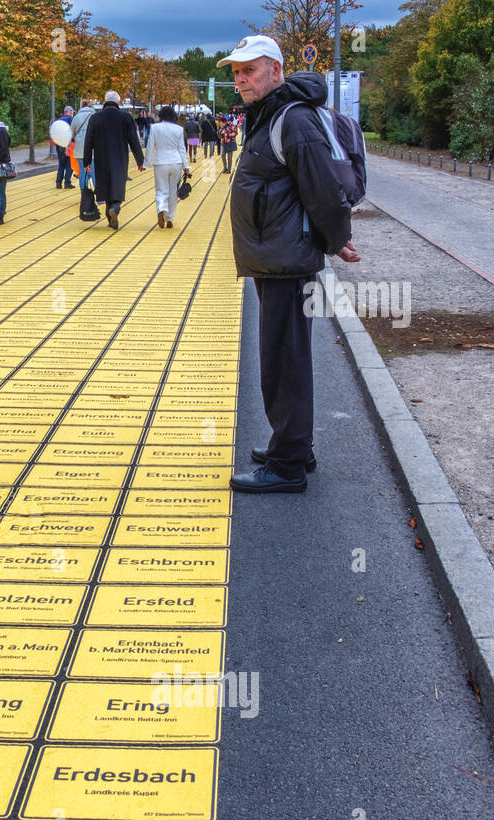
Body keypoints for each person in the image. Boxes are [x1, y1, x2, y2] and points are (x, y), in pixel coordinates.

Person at [221, 35, 360, 493]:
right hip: (275, 256)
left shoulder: (292, 120)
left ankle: (287, 465)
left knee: (285, 360)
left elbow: (320, 188)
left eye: (251, 70)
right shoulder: (269, 115)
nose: (241, 78)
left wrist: (336, 239)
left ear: (276, 72)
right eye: (237, 71)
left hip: (286, 259)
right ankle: (294, 444)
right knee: (285, 356)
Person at [82, 91, 144, 230]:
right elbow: (134, 140)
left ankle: (110, 216)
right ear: (118, 102)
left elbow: (88, 141)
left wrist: (86, 161)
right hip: (119, 157)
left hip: (101, 156)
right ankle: (115, 207)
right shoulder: (125, 117)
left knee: (104, 185)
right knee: (118, 183)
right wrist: (140, 161)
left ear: (105, 101)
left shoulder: (95, 118)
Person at [143, 105, 190, 230]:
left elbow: (150, 146)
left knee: (161, 190)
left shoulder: (155, 128)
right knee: (173, 191)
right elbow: (182, 149)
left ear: (161, 115)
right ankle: (170, 218)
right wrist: (186, 166)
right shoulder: (179, 129)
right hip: (176, 162)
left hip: (160, 162)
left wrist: (146, 163)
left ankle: (161, 209)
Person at [70, 98, 99, 221]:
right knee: (94, 173)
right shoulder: (95, 115)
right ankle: (99, 195)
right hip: (93, 149)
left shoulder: (76, 117)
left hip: (80, 150)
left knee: (83, 173)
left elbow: (71, 133)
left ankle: (84, 194)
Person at [53, 106, 74, 189]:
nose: (72, 114)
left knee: (61, 164)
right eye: (72, 112)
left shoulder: (58, 120)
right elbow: (73, 131)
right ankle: (67, 183)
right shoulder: (70, 120)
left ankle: (58, 183)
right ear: (69, 112)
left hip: (59, 144)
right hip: (68, 144)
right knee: (69, 164)